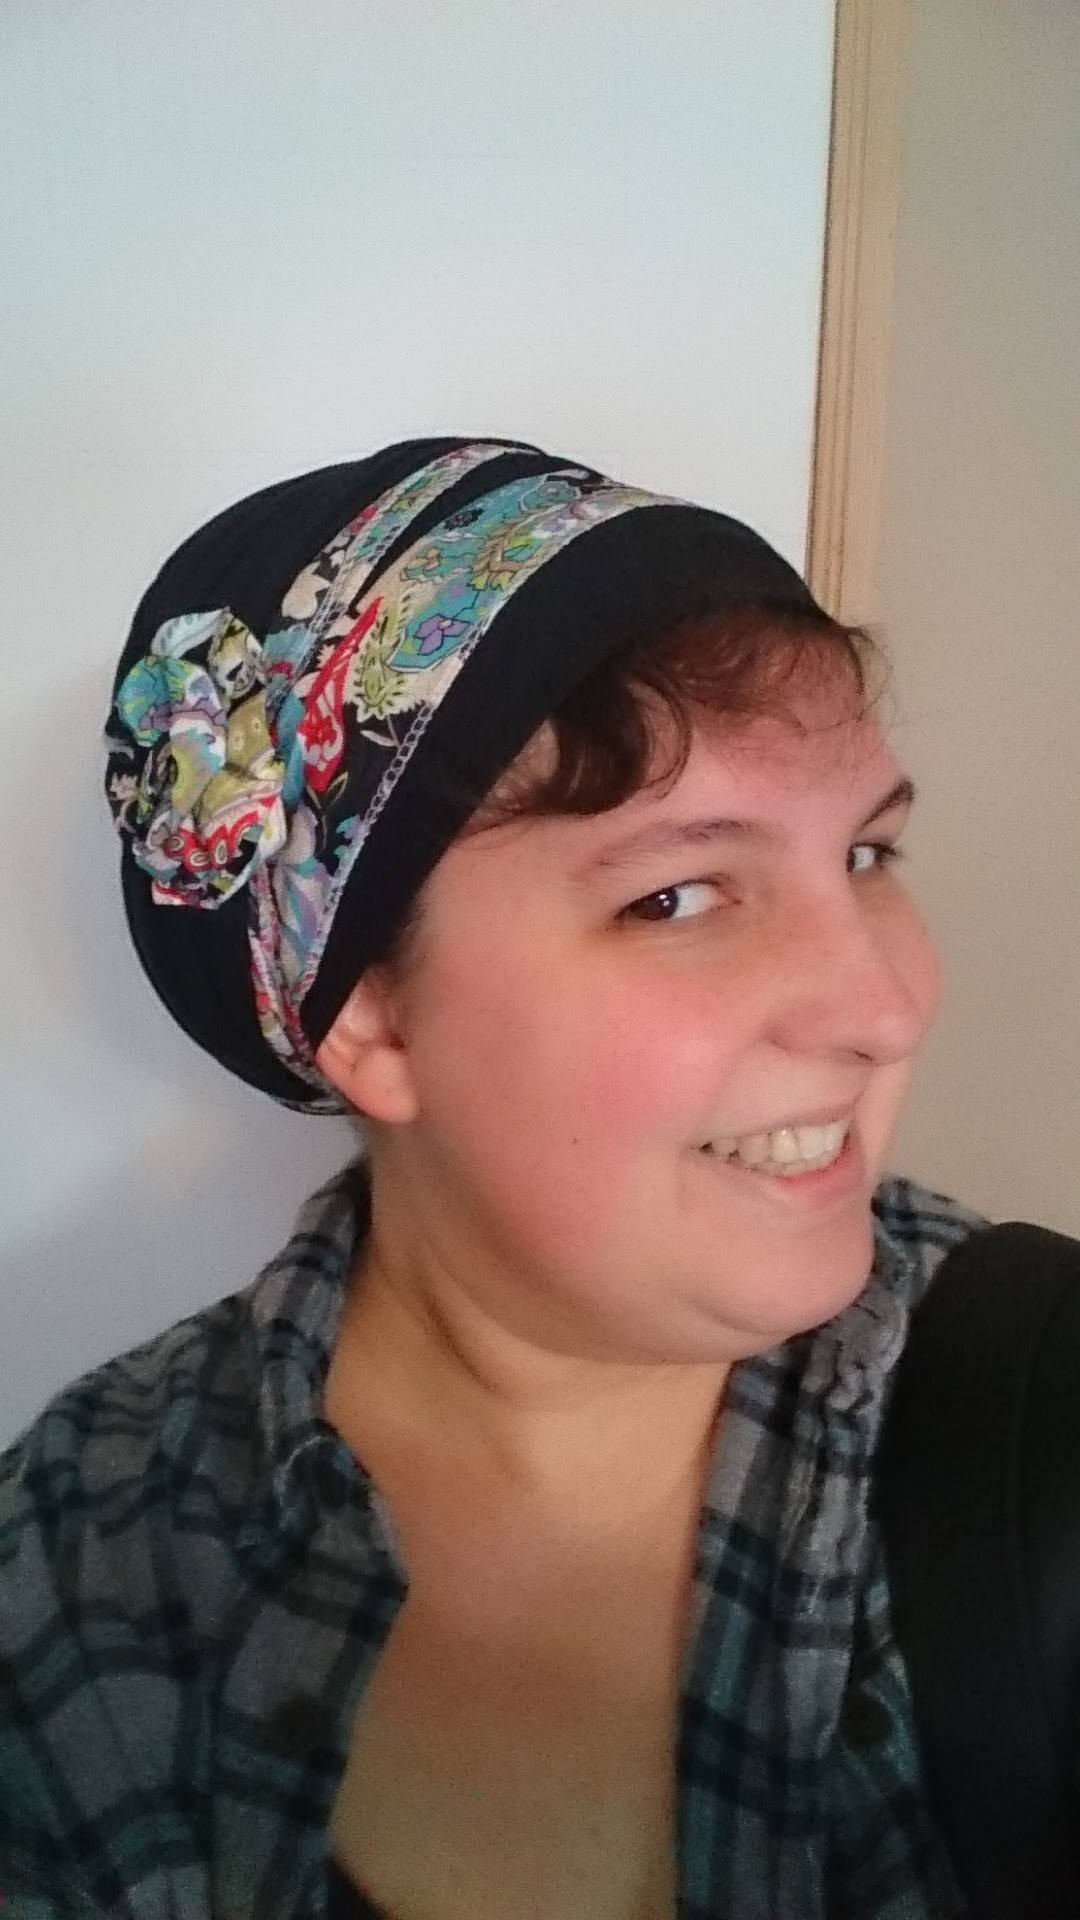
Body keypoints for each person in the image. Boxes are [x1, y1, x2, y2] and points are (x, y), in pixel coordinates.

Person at [0, 435, 991, 1919]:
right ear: (367, 1020)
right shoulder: (79, 1576)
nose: (884, 1006)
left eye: (867, 855)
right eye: (677, 895)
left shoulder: (1031, 1406)